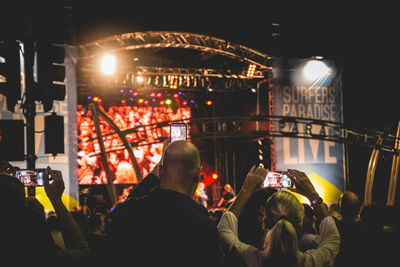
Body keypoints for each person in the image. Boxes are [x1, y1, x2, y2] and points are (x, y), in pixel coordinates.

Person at [108, 140, 222, 267]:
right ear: (197, 174)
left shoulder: (128, 213)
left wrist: (153, 177)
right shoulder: (203, 225)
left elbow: (126, 206)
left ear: (161, 170)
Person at [217, 167, 340, 267]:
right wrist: (312, 195)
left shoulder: (249, 259)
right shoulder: (316, 262)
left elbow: (224, 228)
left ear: (264, 221)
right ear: (301, 224)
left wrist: (246, 191)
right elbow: (331, 232)